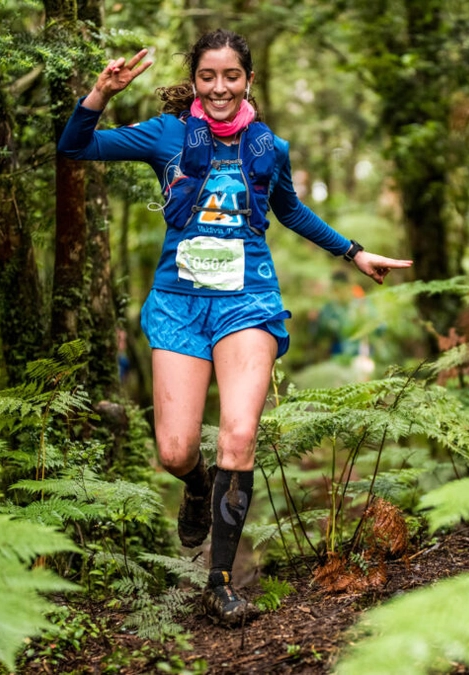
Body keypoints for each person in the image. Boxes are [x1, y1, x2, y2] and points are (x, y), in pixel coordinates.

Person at [57, 29, 412, 626]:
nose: (219, 87)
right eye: (207, 76)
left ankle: (220, 582)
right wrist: (100, 93)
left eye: (231, 76)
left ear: (248, 80)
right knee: (174, 450)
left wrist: (354, 252)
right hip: (179, 304)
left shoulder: (269, 146)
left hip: (248, 301)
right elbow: (75, 149)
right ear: (194, 81)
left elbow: (290, 210)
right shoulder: (167, 134)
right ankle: (197, 486)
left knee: (238, 436)